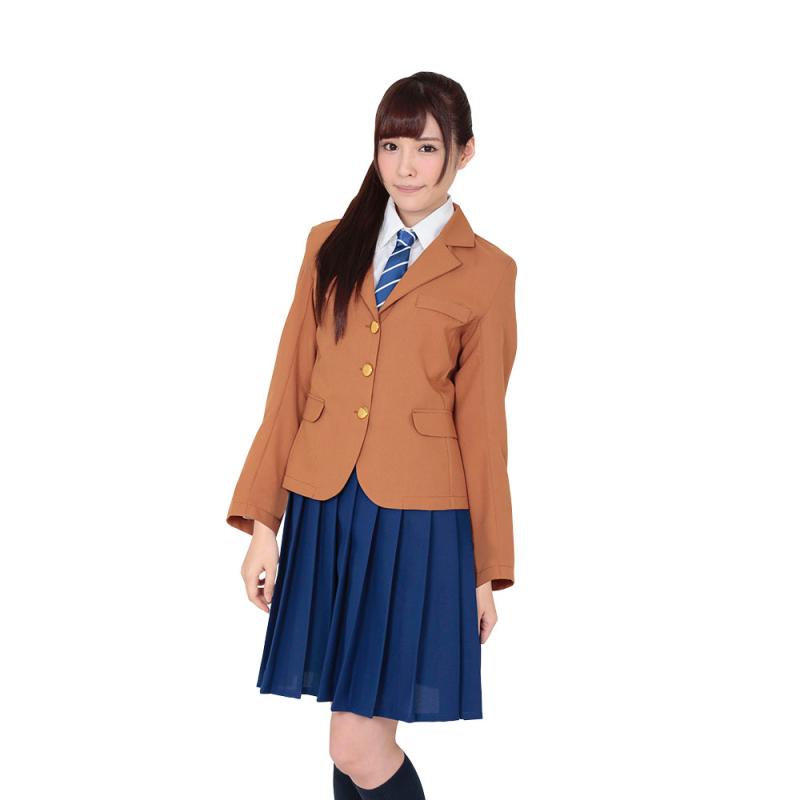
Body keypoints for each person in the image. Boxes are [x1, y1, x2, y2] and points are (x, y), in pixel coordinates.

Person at [225, 71, 518, 799]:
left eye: (427, 147)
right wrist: (263, 525)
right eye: (392, 146)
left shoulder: (488, 272)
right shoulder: (329, 244)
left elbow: (484, 427)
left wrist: (485, 569)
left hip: (418, 524)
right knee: (352, 735)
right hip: (326, 509)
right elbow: (289, 389)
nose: (406, 166)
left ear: (465, 152)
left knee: (355, 741)